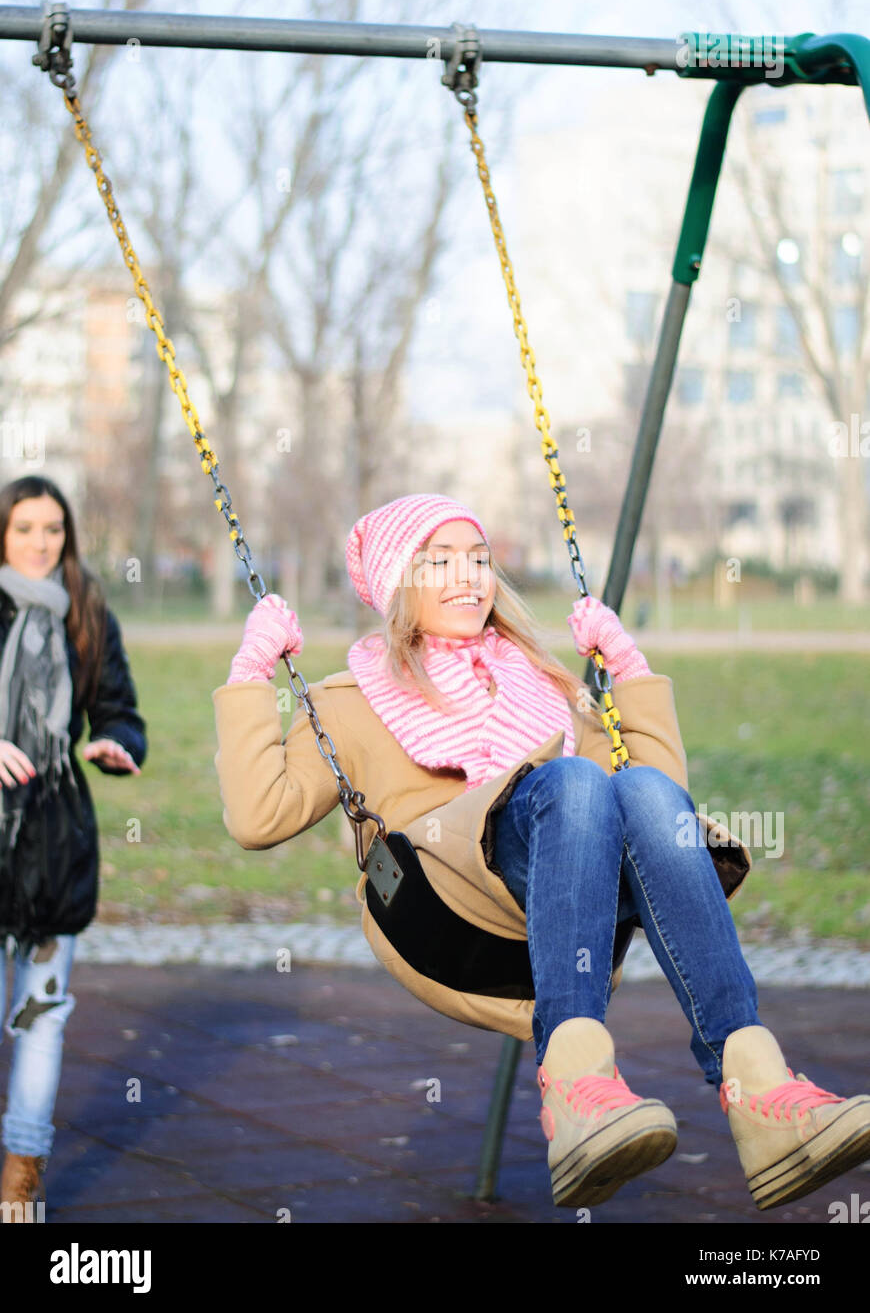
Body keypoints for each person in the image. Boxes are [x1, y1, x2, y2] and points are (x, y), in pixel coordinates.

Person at [213, 492, 870, 1213]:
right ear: (401, 580)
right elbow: (258, 815)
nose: (469, 577)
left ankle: (760, 1092)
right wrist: (252, 670)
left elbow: (658, 815)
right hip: (443, 908)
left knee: (630, 791)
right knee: (574, 780)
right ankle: (576, 1081)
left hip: (563, 902)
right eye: (439, 561)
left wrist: (628, 664)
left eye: (480, 558)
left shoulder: (543, 684)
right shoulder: (349, 702)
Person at [0, 476, 146, 1222]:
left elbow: (120, 711)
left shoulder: (86, 610)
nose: (40, 543)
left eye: (53, 529)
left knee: (42, 1015)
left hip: (55, 842)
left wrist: (117, 744)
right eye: (25, 528)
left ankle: (21, 1173)